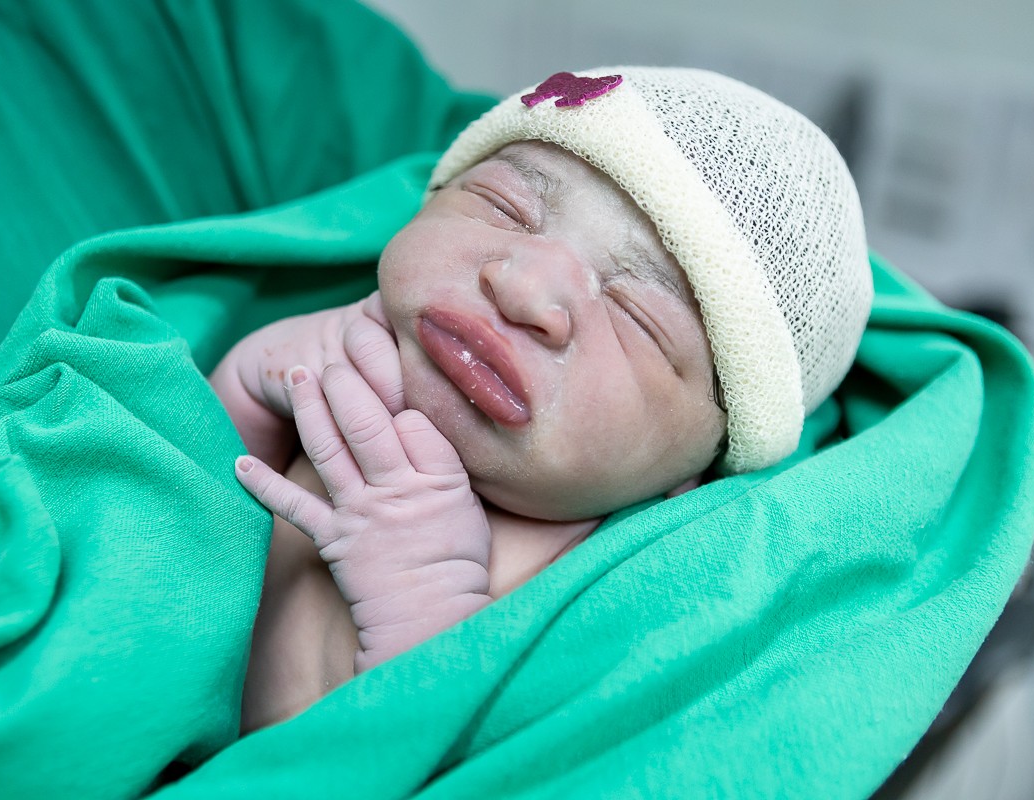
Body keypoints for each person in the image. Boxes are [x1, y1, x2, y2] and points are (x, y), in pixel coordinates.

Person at [210, 67, 874, 730]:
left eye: (636, 314)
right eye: (505, 206)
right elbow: (159, 535)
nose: (524, 289)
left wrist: (422, 634)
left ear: (690, 478)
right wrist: (238, 394)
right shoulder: (325, 358)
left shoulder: (603, 595)